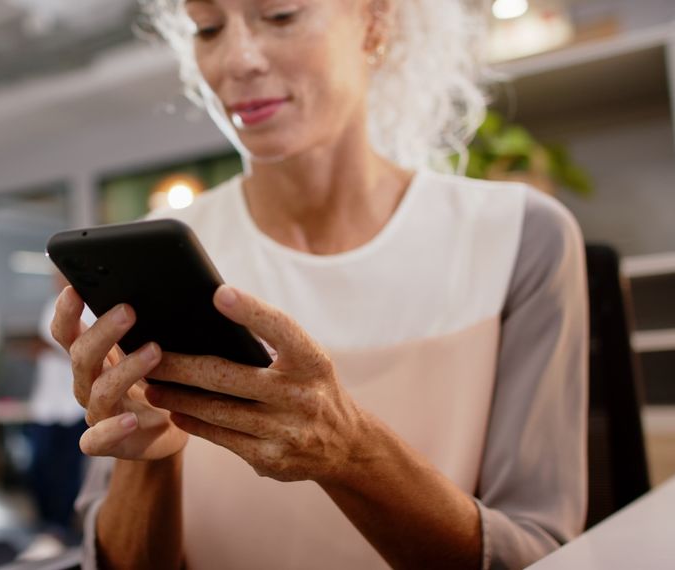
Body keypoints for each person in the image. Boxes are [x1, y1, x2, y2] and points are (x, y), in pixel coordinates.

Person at [55, 1, 588, 569]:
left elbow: (537, 553)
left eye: (281, 15)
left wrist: (352, 452)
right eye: (208, 28)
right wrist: (152, 459)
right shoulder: (158, 260)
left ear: (376, 22)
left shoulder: (519, 237)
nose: (236, 60)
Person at [19, 274, 89, 560]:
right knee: (39, 469)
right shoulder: (50, 305)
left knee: (67, 472)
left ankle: (59, 531)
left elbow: (85, 353)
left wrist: (50, 349)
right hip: (45, 405)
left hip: (72, 406)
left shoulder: (89, 309)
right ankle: (47, 527)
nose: (54, 278)